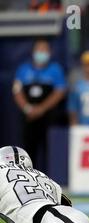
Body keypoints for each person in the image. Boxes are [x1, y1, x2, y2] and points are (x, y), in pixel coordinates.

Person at [12, 38, 66, 171]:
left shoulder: (55, 70)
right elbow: (16, 91)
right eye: (39, 49)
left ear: (50, 52)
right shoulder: (23, 69)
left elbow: (59, 92)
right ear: (33, 51)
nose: (41, 52)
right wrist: (28, 108)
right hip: (28, 117)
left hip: (49, 118)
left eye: (44, 49)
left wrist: (41, 109)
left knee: (50, 149)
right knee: (29, 150)